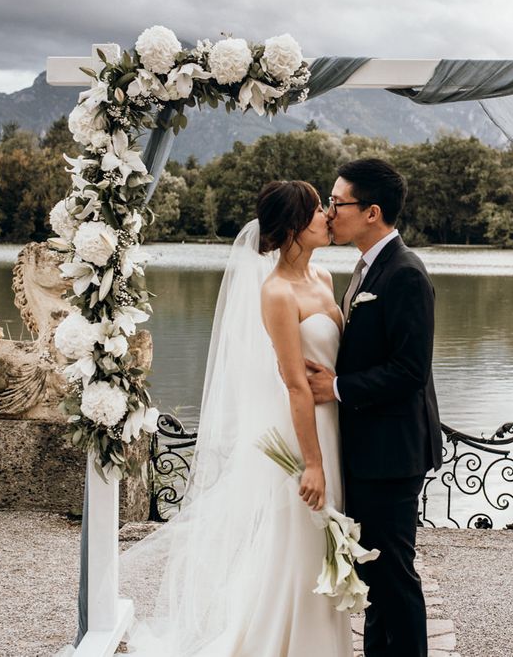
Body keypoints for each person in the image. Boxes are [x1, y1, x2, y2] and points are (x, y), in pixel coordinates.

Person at [115, 180, 354, 656]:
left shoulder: (324, 280)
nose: (327, 216)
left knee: (326, 545)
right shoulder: (277, 293)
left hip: (334, 425)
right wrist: (312, 464)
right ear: (291, 227)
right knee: (302, 547)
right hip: (304, 435)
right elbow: (292, 384)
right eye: (315, 212)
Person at [307, 158, 443, 657]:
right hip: (369, 449)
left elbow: (410, 370)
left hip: (392, 452)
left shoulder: (404, 274)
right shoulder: (367, 268)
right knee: (374, 571)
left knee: (393, 576)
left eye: (337, 202)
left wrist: (337, 388)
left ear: (372, 212)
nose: (329, 211)